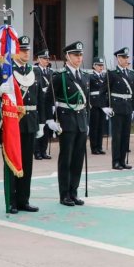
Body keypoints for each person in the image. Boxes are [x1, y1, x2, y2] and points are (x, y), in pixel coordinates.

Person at [0, 35, 43, 214]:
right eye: (22, 50)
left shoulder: (35, 71)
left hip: (30, 122)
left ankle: (23, 200)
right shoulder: (5, 71)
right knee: (12, 162)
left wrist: (42, 123)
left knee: (27, 163)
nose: (26, 53)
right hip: (13, 122)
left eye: (28, 50)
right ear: (15, 52)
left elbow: (40, 99)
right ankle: (11, 201)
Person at [45, 41, 89, 206]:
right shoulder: (59, 76)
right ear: (67, 56)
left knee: (78, 159)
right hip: (66, 121)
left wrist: (87, 122)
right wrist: (49, 120)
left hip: (81, 122)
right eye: (76, 55)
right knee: (66, 159)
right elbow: (48, 99)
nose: (79, 58)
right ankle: (64, 194)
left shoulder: (84, 75)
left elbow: (86, 102)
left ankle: (74, 192)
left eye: (80, 55)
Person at [107, 47, 134, 169]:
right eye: (123, 57)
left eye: (127, 57)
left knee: (125, 135)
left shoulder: (131, 73)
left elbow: (133, 92)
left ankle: (123, 161)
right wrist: (106, 107)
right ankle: (116, 161)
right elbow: (104, 91)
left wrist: (133, 107)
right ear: (118, 58)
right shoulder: (112, 73)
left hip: (127, 107)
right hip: (116, 108)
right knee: (117, 136)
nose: (126, 59)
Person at [33, 49, 54, 161]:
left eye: (47, 59)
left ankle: (44, 151)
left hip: (48, 103)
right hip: (38, 103)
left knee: (46, 128)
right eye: (44, 58)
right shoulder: (34, 71)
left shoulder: (50, 72)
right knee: (38, 127)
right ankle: (36, 152)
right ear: (38, 59)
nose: (46, 60)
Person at [88, 57, 111, 155]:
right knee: (94, 126)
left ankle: (99, 146)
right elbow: (88, 91)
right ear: (94, 66)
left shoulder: (104, 77)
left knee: (101, 126)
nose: (101, 67)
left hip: (103, 104)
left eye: (102, 65)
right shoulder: (90, 76)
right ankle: (94, 147)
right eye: (99, 65)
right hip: (94, 104)